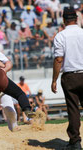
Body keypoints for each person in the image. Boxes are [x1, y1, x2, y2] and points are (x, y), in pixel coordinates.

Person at [51, 7, 83, 150]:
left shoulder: (60, 36)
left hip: (70, 76)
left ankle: (75, 142)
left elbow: (58, 59)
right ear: (76, 19)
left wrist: (54, 80)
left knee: (73, 110)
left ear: (63, 20)